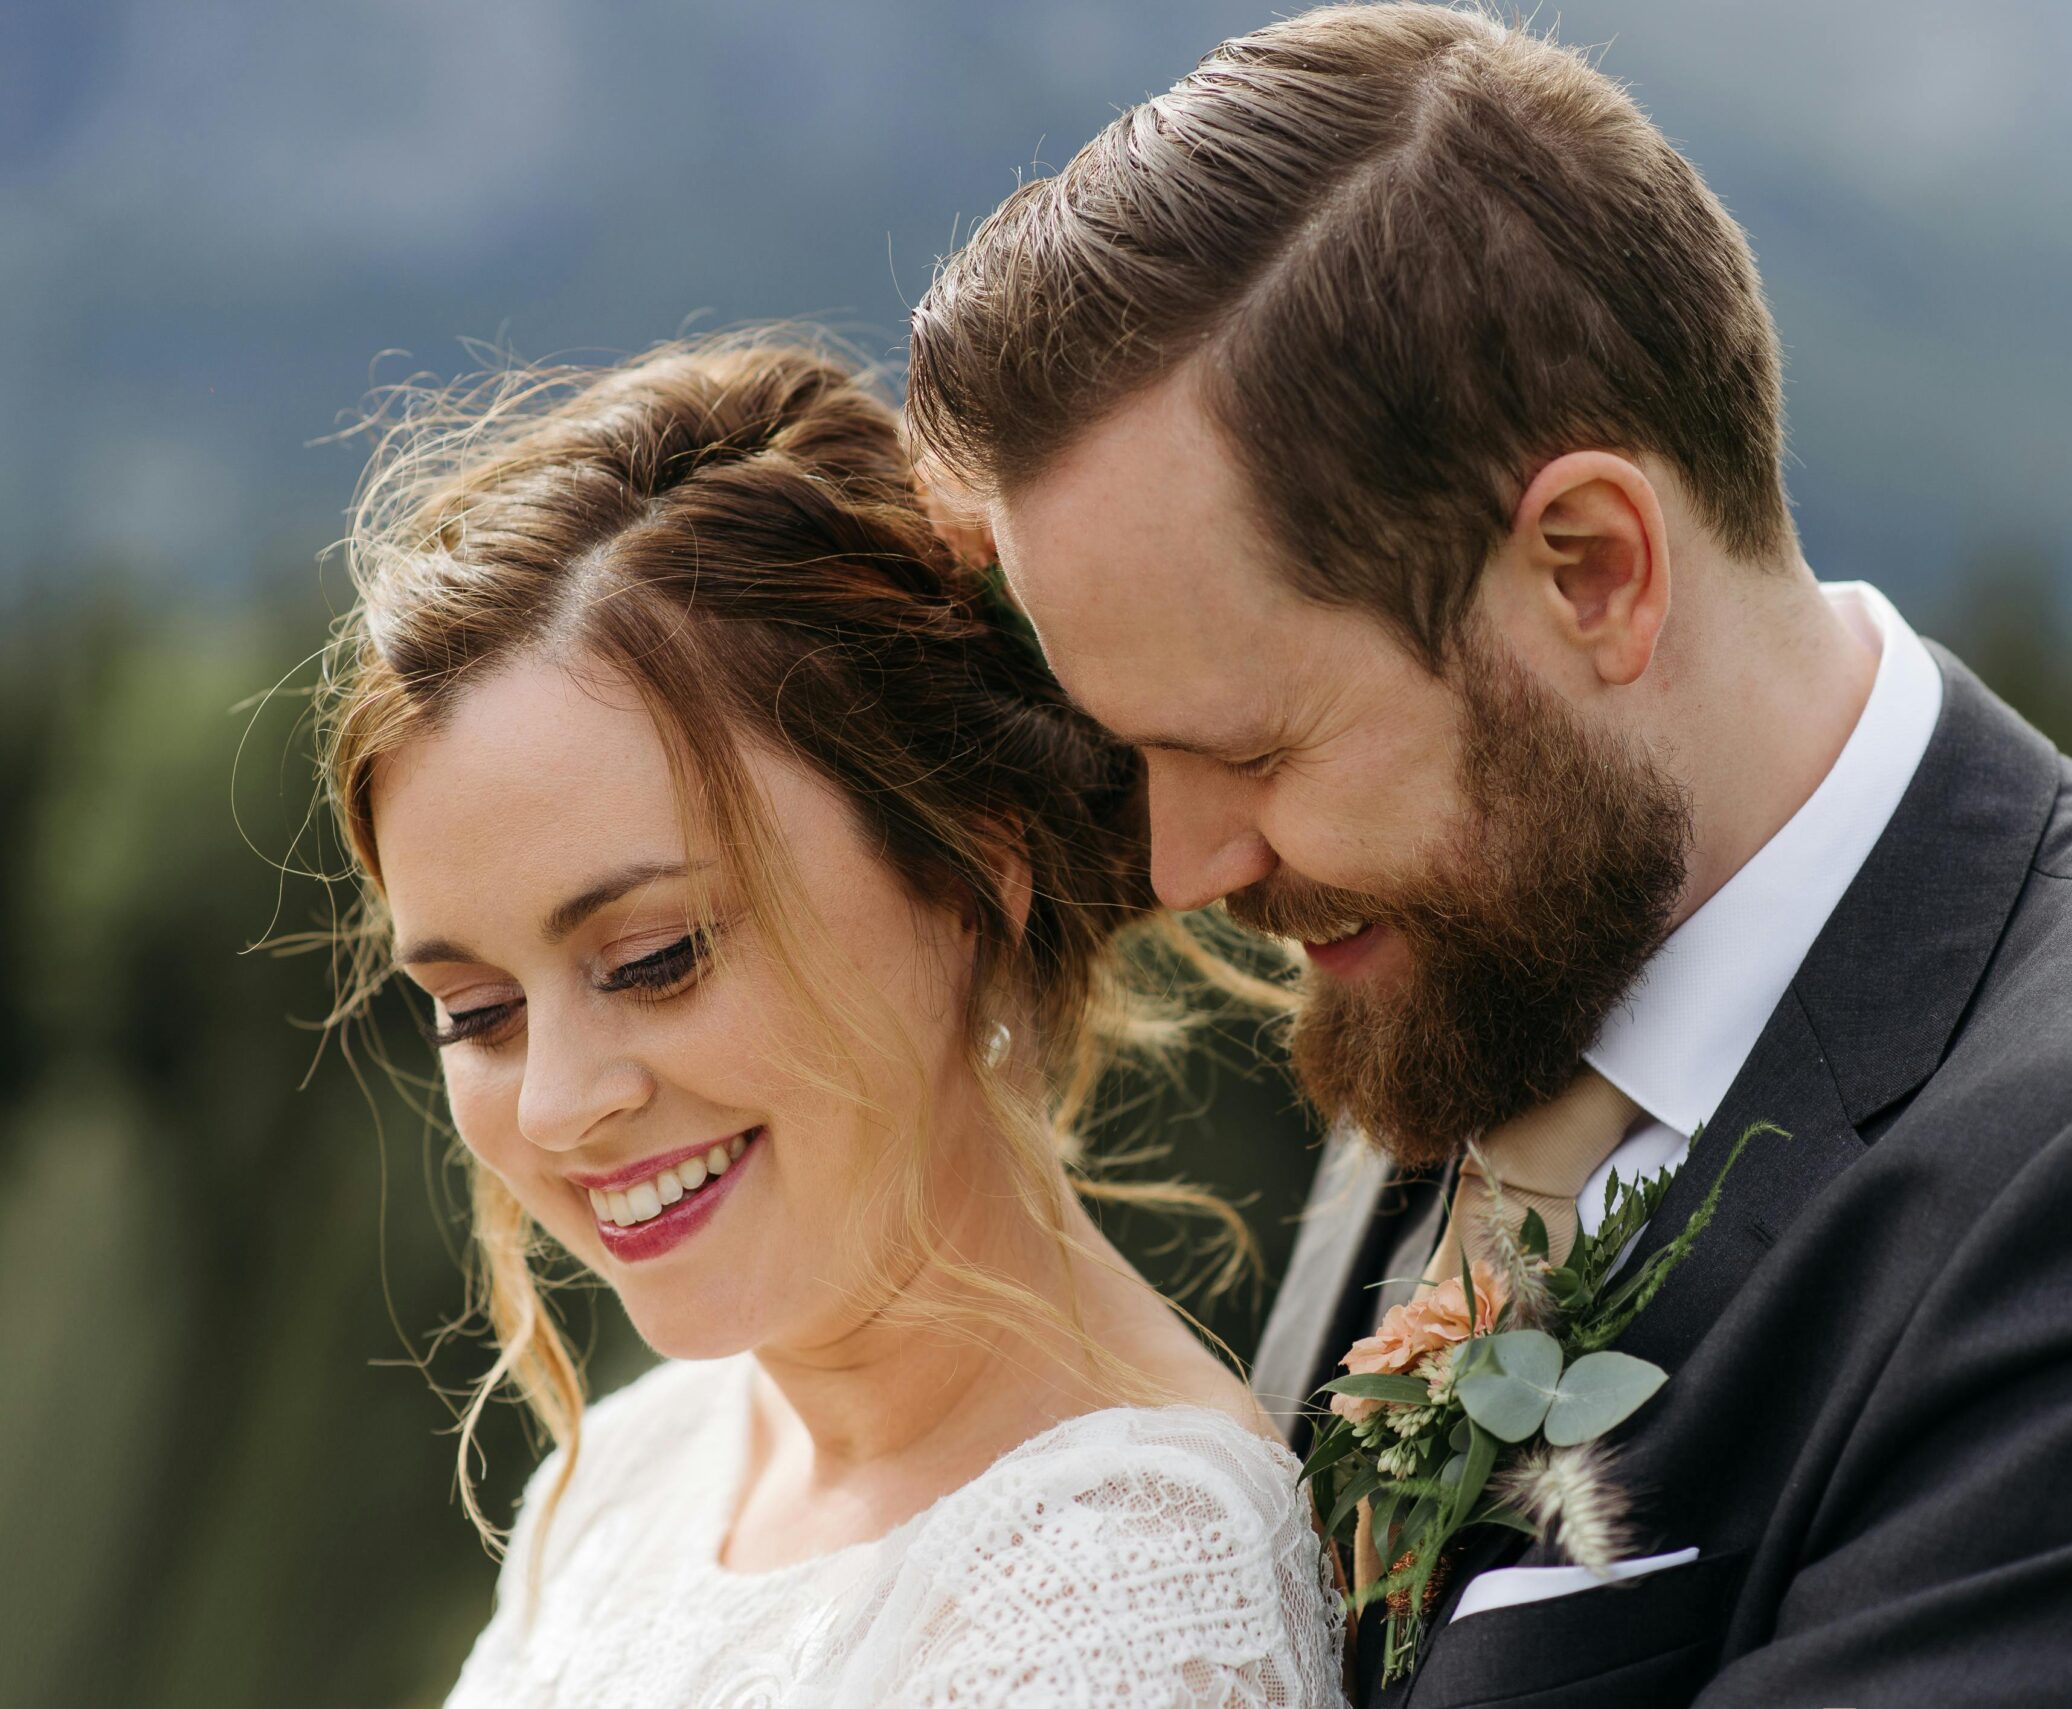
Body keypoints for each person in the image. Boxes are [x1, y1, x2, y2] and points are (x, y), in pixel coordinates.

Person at [903, 5, 2072, 1704]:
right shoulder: (1495, 959)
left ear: (1594, 569)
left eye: (1254, 748)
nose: (1185, 865)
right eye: (1142, 758)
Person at [313, 336, 1346, 1708]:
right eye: (478, 1009)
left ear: (969, 876)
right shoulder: (626, 1479)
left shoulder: (1119, 1586)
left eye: (654, 956)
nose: (557, 1104)